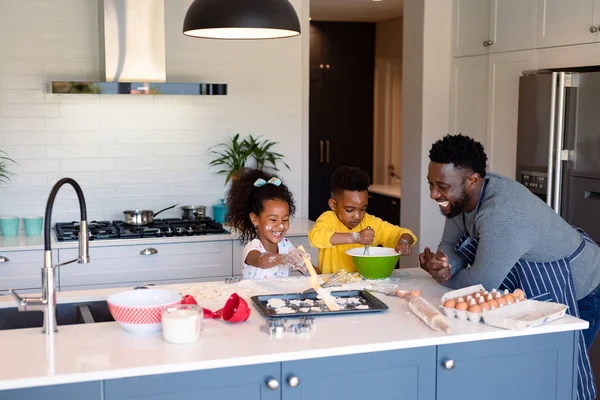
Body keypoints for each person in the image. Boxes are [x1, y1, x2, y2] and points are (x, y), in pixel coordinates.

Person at [419, 134, 600, 400]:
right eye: (431, 184)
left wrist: (444, 277)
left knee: (557, 377)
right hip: (533, 288)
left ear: (473, 180)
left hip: (579, 289)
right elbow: (450, 244)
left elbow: (481, 284)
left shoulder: (502, 213)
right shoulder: (463, 200)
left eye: (442, 186)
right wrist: (444, 264)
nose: (434, 194)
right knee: (526, 375)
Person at [308, 166, 417, 274]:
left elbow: (403, 233)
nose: (357, 216)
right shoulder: (328, 219)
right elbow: (315, 237)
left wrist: (404, 241)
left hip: (365, 285)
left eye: (363, 209)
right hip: (330, 287)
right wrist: (356, 237)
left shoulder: (371, 223)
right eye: (349, 210)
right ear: (333, 205)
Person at [226, 168, 309, 279]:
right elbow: (261, 260)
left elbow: (316, 274)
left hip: (280, 296)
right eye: (273, 220)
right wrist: (283, 258)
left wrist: (305, 266)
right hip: (253, 296)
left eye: (285, 220)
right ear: (255, 219)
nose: (280, 225)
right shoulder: (253, 248)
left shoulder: (286, 246)